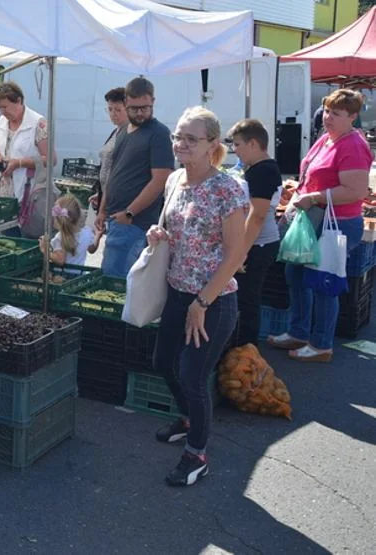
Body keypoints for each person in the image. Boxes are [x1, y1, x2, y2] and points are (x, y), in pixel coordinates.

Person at [148, 107, 247, 487]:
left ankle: (197, 453)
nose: (181, 144)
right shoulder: (175, 180)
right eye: (178, 136)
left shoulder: (227, 189)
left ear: (212, 146)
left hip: (213, 301)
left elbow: (236, 255)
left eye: (191, 138)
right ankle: (189, 418)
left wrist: (202, 303)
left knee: (193, 375)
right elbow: (170, 227)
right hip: (177, 290)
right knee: (162, 363)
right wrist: (156, 235)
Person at [267, 89, 371, 363]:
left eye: (336, 113)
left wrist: (314, 196)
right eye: (326, 111)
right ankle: (299, 332)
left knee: (324, 282)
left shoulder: (353, 145)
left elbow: (356, 191)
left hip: (337, 224)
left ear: (353, 117)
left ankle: (322, 344)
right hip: (311, 219)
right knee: (295, 274)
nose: (328, 117)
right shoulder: (326, 139)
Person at [96, 77, 175, 278]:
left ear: (153, 102)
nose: (140, 113)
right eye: (134, 108)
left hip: (135, 222)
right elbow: (114, 172)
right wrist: (102, 210)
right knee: (110, 277)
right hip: (117, 219)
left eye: (145, 107)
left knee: (118, 282)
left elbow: (160, 180)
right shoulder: (123, 131)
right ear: (126, 103)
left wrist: (130, 213)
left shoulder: (158, 133)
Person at [226, 119, 283, 347]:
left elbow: (257, 216)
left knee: (248, 299)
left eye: (237, 144)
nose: (234, 150)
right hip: (255, 244)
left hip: (257, 245)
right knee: (246, 298)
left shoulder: (263, 171)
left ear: (253, 143)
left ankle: (246, 350)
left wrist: (241, 252)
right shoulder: (258, 169)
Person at [0, 81, 58, 204]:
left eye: (5, 107)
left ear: (19, 101)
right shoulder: (2, 121)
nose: (2, 112)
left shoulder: (38, 123)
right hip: (5, 192)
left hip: (30, 194)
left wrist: (19, 163)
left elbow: (51, 159)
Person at [89, 87, 130, 212]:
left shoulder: (129, 135)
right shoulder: (115, 132)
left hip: (118, 201)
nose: (113, 114)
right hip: (106, 196)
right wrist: (100, 194)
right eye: (110, 109)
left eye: (118, 110)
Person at [38, 195, 96, 266]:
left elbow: (60, 260)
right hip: (79, 273)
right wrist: (98, 236)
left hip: (61, 275)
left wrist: (45, 250)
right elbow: (92, 249)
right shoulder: (87, 232)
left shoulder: (60, 237)